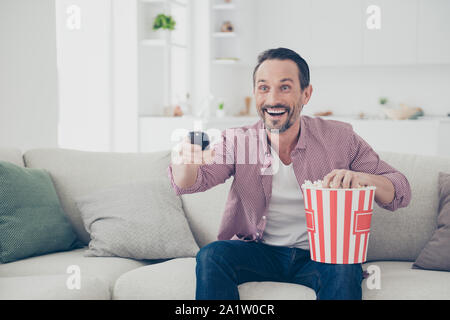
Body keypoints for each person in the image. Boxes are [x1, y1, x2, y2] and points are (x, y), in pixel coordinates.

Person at [167, 47, 411, 300]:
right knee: (212, 255)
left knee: (344, 266)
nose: (273, 99)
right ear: (255, 93)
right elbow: (189, 183)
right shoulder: (237, 141)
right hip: (260, 252)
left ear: (306, 94)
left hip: (322, 255)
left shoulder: (340, 137)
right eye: (264, 88)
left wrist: (364, 179)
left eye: (285, 87)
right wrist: (185, 157)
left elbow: (400, 190)